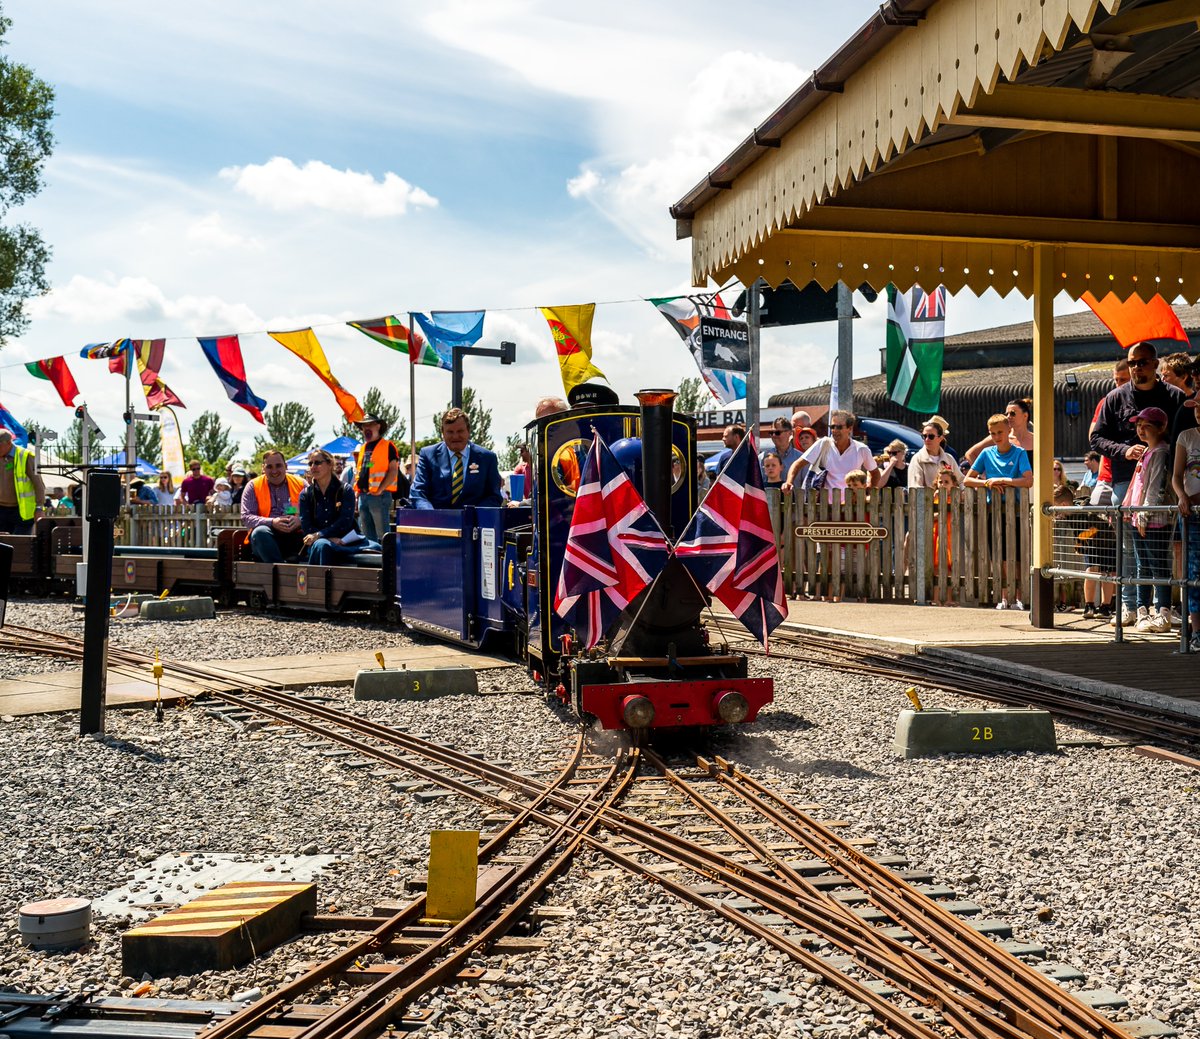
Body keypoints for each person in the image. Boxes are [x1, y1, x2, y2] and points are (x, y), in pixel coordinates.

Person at [1091, 342, 1187, 626]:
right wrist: (1124, 450)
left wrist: (1162, 449)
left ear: (1156, 364)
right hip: (1126, 481)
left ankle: (1163, 608)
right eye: (1132, 363)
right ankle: (1131, 606)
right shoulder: (1115, 398)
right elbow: (1096, 439)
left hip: (1169, 481)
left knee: (1163, 549)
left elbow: (1190, 433)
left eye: (1142, 362)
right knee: (1129, 549)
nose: (1137, 368)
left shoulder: (1175, 396)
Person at [963, 414, 1033, 610]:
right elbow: (968, 480)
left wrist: (1005, 481)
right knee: (998, 556)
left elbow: (1028, 480)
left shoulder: (1019, 453)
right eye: (992, 433)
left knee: (1017, 556)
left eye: (1000, 432)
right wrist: (987, 482)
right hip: (993, 512)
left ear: (1009, 431)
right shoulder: (986, 453)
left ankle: (1018, 597)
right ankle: (1003, 596)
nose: (996, 436)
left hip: (1016, 512)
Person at [1122, 408, 1173, 633]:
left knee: (1158, 565)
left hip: (1154, 519)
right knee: (1142, 566)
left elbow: (1156, 487)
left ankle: (1163, 612)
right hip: (1137, 517)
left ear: (1161, 428)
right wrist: (1126, 507)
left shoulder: (1161, 452)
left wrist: (1144, 512)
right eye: (1138, 425)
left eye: (1147, 426)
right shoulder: (1146, 452)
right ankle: (1142, 611)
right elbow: (1137, 483)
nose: (1141, 430)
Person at [410, 407, 504, 510]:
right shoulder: (428, 455)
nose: (455, 436)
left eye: (460, 431)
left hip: (474, 523)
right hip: (436, 523)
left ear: (468, 431)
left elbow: (494, 496)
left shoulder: (487, 458)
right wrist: (432, 516)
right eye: (450, 432)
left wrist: (473, 516)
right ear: (442, 432)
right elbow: (418, 493)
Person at [299, 448, 377, 565]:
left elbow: (345, 521)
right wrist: (326, 538)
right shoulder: (305, 494)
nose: (313, 466)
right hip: (318, 542)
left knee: (380, 548)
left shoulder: (345, 490)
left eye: (317, 463)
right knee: (322, 545)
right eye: (311, 463)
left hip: (347, 541)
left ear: (330, 464)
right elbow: (307, 527)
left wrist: (322, 534)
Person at [780, 409, 878, 493]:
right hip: (826, 508)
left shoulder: (861, 449)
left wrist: (868, 492)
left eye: (839, 427)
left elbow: (875, 473)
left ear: (850, 428)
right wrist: (789, 482)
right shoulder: (823, 444)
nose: (834, 430)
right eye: (832, 427)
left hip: (852, 508)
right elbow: (797, 464)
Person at [1171, 380, 1200, 651]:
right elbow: (1176, 475)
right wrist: (1180, 496)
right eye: (1196, 407)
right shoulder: (1186, 437)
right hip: (1192, 512)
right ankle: (1196, 631)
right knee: (1193, 571)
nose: (1198, 411)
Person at [241, 450, 307, 562]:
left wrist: (300, 520)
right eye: (269, 467)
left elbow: (314, 513)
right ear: (263, 468)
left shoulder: (301, 484)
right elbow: (246, 517)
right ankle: (282, 570)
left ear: (286, 466)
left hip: (295, 538)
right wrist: (272, 522)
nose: (274, 471)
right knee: (260, 532)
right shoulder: (253, 486)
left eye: (278, 465)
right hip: (266, 539)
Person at [353, 414, 406, 542]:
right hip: (364, 496)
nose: (366, 428)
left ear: (378, 426)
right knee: (367, 535)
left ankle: (387, 560)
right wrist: (357, 493)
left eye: (369, 424)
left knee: (383, 534)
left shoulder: (388, 446)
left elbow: (393, 471)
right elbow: (365, 471)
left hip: (379, 496)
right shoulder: (363, 448)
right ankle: (372, 560)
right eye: (364, 425)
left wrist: (380, 489)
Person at [964, 398, 1034, 468]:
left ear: (1025, 415)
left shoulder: (1036, 439)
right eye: (1006, 414)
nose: (1008, 417)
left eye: (1012, 413)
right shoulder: (999, 436)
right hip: (1006, 479)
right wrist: (984, 475)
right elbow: (970, 454)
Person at [0, 428, 44, 534]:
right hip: (1, 510)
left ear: (8, 443)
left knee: (21, 545)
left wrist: (39, 508)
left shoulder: (25, 456)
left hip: (21, 512)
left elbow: (38, 485)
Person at [908, 420, 963, 488]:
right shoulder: (917, 459)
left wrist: (962, 492)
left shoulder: (949, 458)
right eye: (924, 436)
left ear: (941, 438)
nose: (927, 439)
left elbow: (961, 481)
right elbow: (916, 487)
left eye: (931, 436)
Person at [932, 465, 957, 606]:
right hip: (937, 535)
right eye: (940, 482)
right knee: (936, 567)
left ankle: (949, 598)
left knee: (949, 567)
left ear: (953, 484)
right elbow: (932, 517)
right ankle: (936, 598)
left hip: (950, 536)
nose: (943, 485)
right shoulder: (935, 499)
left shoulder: (955, 498)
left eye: (946, 482)